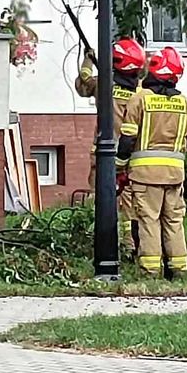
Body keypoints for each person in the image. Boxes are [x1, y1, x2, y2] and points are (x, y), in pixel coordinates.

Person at [118, 47, 187, 278]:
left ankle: (150, 270)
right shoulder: (184, 102)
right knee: (174, 220)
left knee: (149, 219)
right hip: (175, 174)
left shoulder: (140, 98)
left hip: (145, 174)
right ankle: (178, 269)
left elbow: (127, 139)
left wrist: (120, 167)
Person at [75, 38, 145, 257]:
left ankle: (101, 245)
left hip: (103, 154)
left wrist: (88, 60)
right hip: (131, 156)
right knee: (131, 205)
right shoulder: (142, 93)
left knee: (101, 200)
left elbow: (83, 83)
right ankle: (130, 246)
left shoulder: (103, 85)